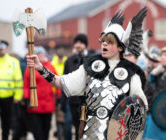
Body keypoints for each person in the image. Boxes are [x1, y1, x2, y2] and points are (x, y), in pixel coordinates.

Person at [26, 10, 148, 140]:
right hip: (89, 134)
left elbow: (140, 108)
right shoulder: (90, 67)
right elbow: (59, 82)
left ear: (120, 47)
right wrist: (40, 67)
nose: (104, 44)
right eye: (103, 40)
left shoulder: (131, 74)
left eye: (110, 41)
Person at [23, 46, 61, 140]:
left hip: (48, 103)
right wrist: (27, 98)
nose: (40, 56)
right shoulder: (30, 68)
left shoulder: (50, 67)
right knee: (37, 130)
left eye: (42, 54)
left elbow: (57, 81)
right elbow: (26, 85)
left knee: (47, 129)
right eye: (38, 54)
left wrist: (59, 97)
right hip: (35, 103)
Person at [62, 33, 94, 140]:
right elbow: (64, 80)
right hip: (73, 101)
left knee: (88, 128)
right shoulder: (69, 61)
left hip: (89, 101)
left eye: (80, 43)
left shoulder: (92, 59)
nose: (78, 45)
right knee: (77, 129)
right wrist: (63, 102)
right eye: (76, 43)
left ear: (85, 44)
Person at [0, 40, 23, 140]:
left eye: (2, 49)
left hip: (9, 96)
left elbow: (18, 80)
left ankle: (5, 137)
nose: (0, 51)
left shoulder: (14, 62)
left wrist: (17, 96)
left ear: (6, 49)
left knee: (7, 120)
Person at [51, 46, 67, 140]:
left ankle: (63, 133)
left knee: (65, 116)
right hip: (56, 94)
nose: (60, 51)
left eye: (62, 49)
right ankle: (60, 135)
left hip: (66, 92)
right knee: (59, 116)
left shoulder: (67, 62)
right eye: (59, 50)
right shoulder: (53, 63)